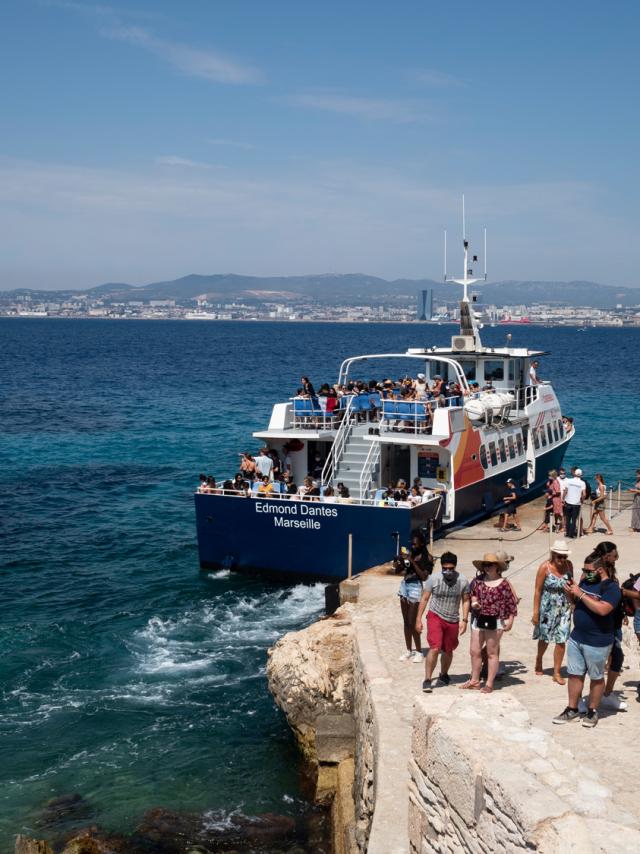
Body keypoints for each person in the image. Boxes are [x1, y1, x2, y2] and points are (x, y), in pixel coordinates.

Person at [553, 551, 621, 728]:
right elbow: (575, 604)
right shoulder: (585, 581)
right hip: (577, 637)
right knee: (574, 674)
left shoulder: (611, 588)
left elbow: (603, 609)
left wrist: (581, 594)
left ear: (600, 570)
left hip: (597, 641)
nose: (584, 573)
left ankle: (592, 711)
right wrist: (570, 593)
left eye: (588, 570)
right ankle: (572, 709)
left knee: (596, 676)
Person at [461, 554, 518, 693]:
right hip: (479, 618)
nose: (487, 567)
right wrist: (474, 602)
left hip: (496, 620)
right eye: (485, 565)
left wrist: (510, 620)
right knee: (474, 650)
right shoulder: (478, 581)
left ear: (497, 566)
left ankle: (489, 683)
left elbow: (512, 602)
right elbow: (472, 593)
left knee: (491, 652)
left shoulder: (504, 583)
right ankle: (474, 680)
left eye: (490, 564)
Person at [415, 552, 470, 692]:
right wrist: (418, 619)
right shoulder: (433, 579)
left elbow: (466, 600)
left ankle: (444, 673)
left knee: (448, 650)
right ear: (441, 567)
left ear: (455, 567)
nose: (448, 571)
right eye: (445, 568)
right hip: (435, 616)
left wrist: (464, 620)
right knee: (434, 647)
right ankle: (427, 679)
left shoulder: (463, 580)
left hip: (452, 619)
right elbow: (425, 598)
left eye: (451, 568)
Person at [532, 540, 574, 685]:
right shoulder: (545, 567)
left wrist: (573, 601)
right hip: (547, 606)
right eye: (559, 557)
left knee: (561, 639)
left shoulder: (569, 566)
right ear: (553, 555)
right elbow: (537, 590)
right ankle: (539, 658)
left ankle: (556, 672)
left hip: (564, 606)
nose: (562, 560)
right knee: (544, 638)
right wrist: (535, 612)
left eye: (565, 557)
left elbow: (571, 584)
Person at [396, 544, 430, 663]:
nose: (414, 546)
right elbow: (398, 571)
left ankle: (419, 651)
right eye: (413, 543)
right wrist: (399, 561)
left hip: (416, 587)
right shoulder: (410, 555)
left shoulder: (427, 558)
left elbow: (424, 576)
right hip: (404, 586)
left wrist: (412, 561)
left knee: (413, 620)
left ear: (422, 543)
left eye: (416, 543)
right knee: (406, 622)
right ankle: (408, 650)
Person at [562, 467, 586, 538]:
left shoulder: (569, 481)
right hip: (576, 504)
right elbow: (584, 494)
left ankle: (567, 533)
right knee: (574, 519)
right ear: (581, 475)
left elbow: (565, 491)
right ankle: (571, 534)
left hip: (568, 502)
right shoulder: (582, 483)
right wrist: (582, 500)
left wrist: (563, 499)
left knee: (568, 519)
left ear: (574, 474)